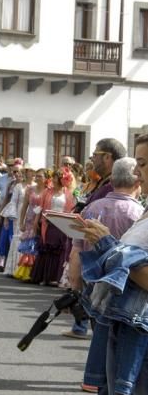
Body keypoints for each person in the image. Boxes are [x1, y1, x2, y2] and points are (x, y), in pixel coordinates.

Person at [77, 134, 148, 395]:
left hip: (143, 335)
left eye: (144, 162)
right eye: (138, 161)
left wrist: (108, 245)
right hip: (123, 329)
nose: (138, 170)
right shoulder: (143, 215)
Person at [69, 157, 143, 395]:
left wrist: (74, 283)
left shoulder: (93, 207)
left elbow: (76, 249)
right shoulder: (137, 213)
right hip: (127, 299)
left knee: (111, 359)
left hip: (96, 287)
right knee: (125, 370)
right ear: (136, 180)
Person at [62, 138, 127, 338]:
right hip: (96, 259)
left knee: (102, 330)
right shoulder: (103, 183)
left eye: (95, 155)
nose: (92, 159)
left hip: (98, 261)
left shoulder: (110, 188)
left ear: (108, 157)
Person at [30, 167, 75, 286]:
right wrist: (36, 222)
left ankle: (56, 277)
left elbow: (70, 210)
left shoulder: (68, 194)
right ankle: (45, 277)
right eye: (53, 177)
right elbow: (40, 208)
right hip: (48, 223)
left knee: (59, 250)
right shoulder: (47, 191)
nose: (53, 179)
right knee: (47, 248)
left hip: (62, 224)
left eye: (56, 177)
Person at [14, 168, 48, 282]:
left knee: (39, 245)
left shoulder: (48, 190)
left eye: (40, 176)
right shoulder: (30, 189)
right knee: (29, 245)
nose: (37, 178)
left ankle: (37, 272)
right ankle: (26, 273)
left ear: (46, 178)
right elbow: (24, 206)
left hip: (42, 220)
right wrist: (21, 222)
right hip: (30, 219)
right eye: (36, 176)